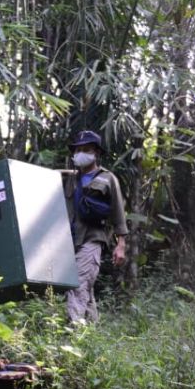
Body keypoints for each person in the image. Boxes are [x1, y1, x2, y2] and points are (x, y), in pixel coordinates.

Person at [62, 130, 128, 324]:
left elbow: (118, 212)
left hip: (92, 239)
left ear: (96, 152)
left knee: (77, 286)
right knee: (86, 289)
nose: (81, 153)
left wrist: (121, 244)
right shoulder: (70, 179)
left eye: (86, 149)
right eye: (78, 150)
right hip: (71, 241)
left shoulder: (107, 179)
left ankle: (73, 334)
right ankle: (92, 334)